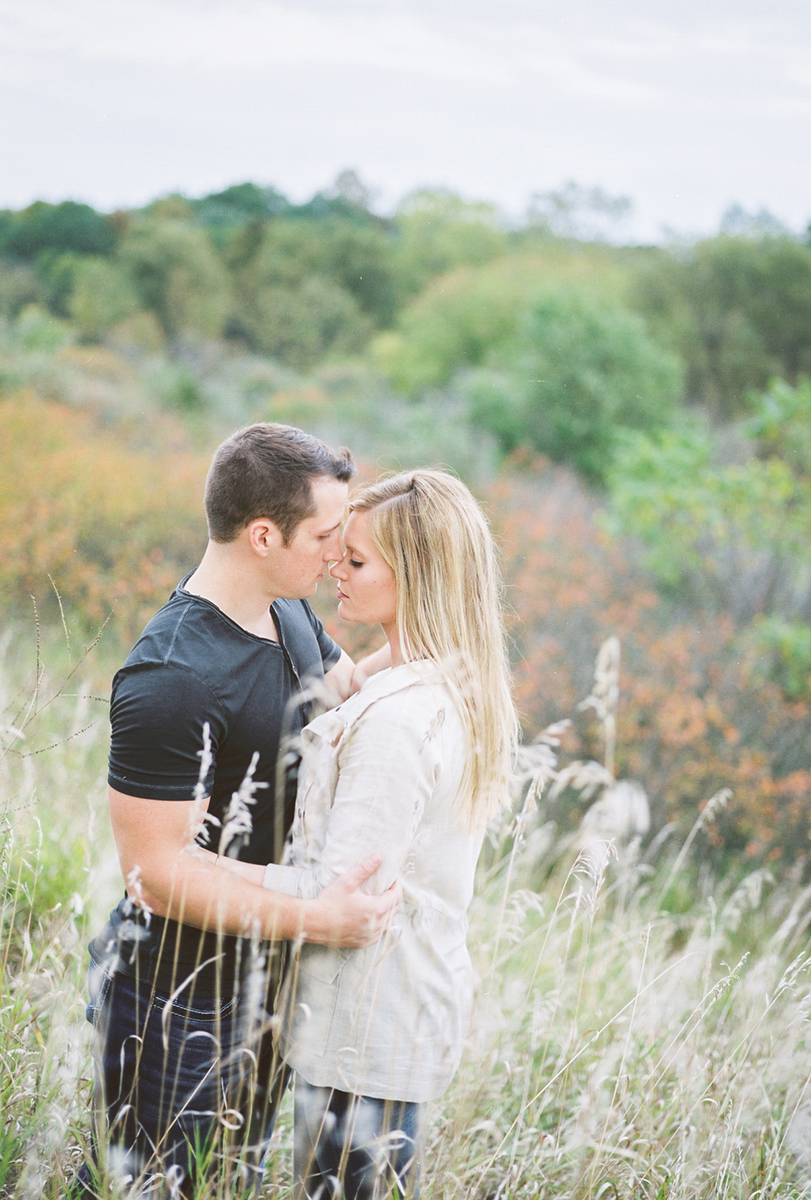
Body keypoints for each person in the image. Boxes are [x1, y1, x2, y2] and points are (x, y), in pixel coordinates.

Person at [76, 424, 398, 1198]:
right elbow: (154, 871)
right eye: (326, 534)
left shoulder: (287, 613)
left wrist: (440, 636)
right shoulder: (173, 676)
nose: (337, 551)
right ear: (263, 535)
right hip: (174, 1007)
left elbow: (349, 694)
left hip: (264, 988)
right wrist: (319, 919)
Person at [225, 469, 518, 1199]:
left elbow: (340, 896)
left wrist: (195, 869)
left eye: (355, 562)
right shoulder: (451, 682)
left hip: (363, 1030)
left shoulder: (398, 723)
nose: (334, 570)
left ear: (414, 577)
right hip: (399, 1016)